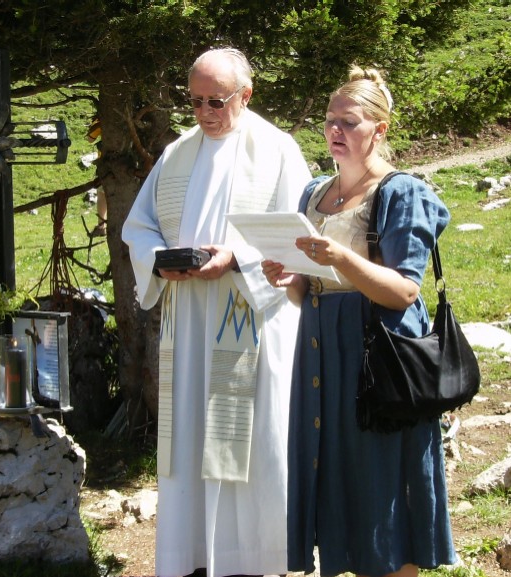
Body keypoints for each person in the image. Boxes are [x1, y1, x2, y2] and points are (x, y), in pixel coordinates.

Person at [122, 47, 311, 577]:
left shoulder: (277, 151)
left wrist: (237, 258)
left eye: (217, 101)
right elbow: (137, 228)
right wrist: (162, 262)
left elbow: (296, 234)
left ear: (246, 96)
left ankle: (256, 560)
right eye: (196, 101)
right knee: (189, 440)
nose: (205, 112)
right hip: (188, 325)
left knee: (253, 448)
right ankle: (193, 561)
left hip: (248, 322)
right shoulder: (178, 153)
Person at [261, 66, 456, 577]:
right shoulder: (314, 195)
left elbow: (404, 291)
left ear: (380, 130)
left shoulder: (399, 193)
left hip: (380, 359)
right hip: (323, 354)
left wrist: (338, 260)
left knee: (383, 486)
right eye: (330, 121)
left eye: (349, 122)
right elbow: (313, 293)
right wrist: (293, 277)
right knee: (339, 482)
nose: (335, 132)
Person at [86, 117, 107, 237]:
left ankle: (101, 226)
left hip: (104, 163)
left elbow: (90, 139)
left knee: (102, 194)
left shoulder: (101, 122)